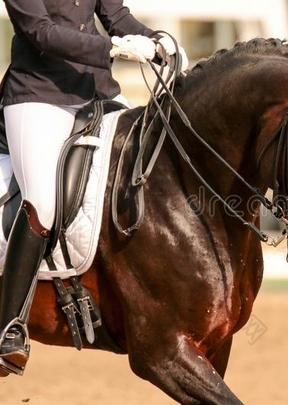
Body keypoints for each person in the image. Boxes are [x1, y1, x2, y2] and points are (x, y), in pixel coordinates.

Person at [0, 0, 188, 376]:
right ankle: (10, 326)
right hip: (40, 96)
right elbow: (40, 32)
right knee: (43, 203)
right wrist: (113, 48)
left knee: (153, 161)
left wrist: (157, 41)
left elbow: (116, 16)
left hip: (99, 93)